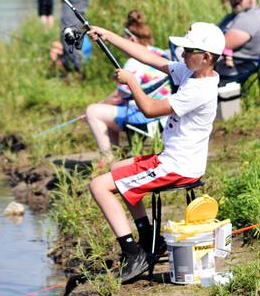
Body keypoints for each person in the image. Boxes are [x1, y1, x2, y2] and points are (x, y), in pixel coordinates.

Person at [86, 22, 224, 282]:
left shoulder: (199, 90)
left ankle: (132, 253)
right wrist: (109, 35)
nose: (181, 54)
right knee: (118, 168)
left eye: (187, 50)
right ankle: (149, 236)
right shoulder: (194, 72)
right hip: (173, 159)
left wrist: (132, 82)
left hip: (177, 166)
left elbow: (149, 108)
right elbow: (149, 57)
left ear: (205, 57)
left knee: (98, 186)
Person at [85, 11, 171, 165]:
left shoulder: (133, 63)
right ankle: (115, 154)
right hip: (165, 113)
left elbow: (118, 96)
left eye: (124, 38)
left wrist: (101, 103)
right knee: (106, 111)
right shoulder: (160, 54)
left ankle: (108, 156)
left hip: (145, 115)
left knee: (93, 111)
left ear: (131, 39)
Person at [216, 0, 260, 86]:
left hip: (235, 66)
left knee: (174, 61)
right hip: (214, 61)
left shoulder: (249, 18)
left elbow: (220, 45)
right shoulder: (235, 15)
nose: (236, 1)